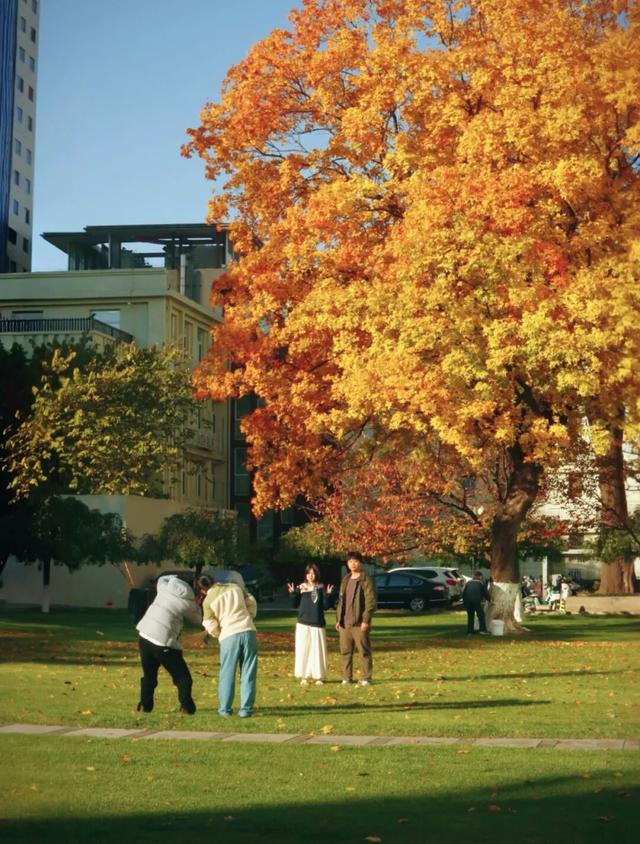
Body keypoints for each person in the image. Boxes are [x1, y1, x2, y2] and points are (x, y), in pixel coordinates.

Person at [135, 574, 205, 714]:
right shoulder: (187, 603)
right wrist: (199, 606)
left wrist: (173, 577)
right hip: (163, 642)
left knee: (149, 676)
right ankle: (186, 707)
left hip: (144, 636)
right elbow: (199, 620)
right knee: (183, 678)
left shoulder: (165, 588)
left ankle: (144, 706)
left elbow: (161, 579)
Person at [200, 572, 258, 718]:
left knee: (227, 673)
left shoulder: (208, 601)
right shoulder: (235, 587)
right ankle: (246, 709)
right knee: (248, 671)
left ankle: (225, 709)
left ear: (202, 589)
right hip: (248, 630)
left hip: (229, 635)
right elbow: (251, 601)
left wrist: (219, 634)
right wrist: (249, 616)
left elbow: (209, 624)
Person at [287, 564, 334, 685]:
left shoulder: (321, 587)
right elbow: (294, 605)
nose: (310, 576)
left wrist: (328, 595)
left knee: (317, 650)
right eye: (308, 573)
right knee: (303, 649)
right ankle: (304, 676)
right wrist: (292, 594)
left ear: (316, 574)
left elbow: (325, 606)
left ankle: (319, 676)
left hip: (317, 624)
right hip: (303, 623)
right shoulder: (301, 588)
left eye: (313, 573)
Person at [335, 551, 377, 686]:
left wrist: (366, 620)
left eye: (355, 561)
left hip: (359, 623)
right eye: (350, 562)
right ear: (347, 564)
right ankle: (347, 677)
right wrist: (338, 619)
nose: (353, 564)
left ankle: (366, 677)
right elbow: (341, 601)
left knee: (364, 651)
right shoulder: (345, 579)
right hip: (344, 623)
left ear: (361, 563)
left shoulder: (366, 580)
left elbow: (371, 602)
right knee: (345, 651)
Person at [462, 570, 490, 635]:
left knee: (470, 616)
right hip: (476, 601)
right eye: (481, 577)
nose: (482, 578)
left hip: (467, 601)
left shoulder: (468, 583)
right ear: (479, 577)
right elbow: (485, 593)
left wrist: (464, 602)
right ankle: (482, 630)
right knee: (481, 615)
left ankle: (470, 631)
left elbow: (464, 593)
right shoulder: (480, 583)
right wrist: (490, 600)